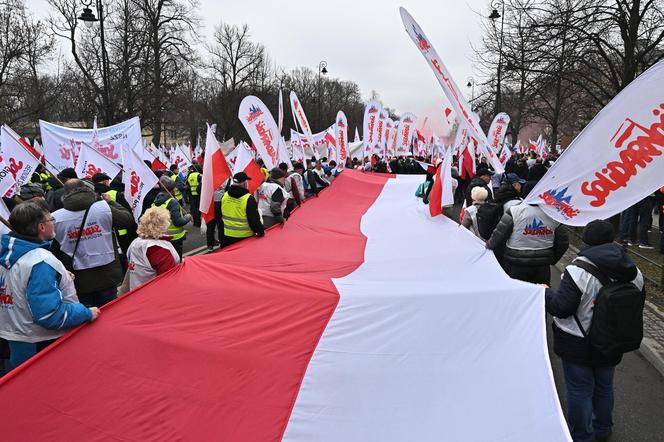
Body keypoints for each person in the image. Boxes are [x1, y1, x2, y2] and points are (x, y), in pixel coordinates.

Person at [545, 220, 645, 442]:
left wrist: (546, 293)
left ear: (586, 240)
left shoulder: (577, 271)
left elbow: (562, 308)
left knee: (580, 389)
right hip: (612, 340)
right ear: (611, 239)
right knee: (604, 385)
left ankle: (581, 435)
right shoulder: (634, 272)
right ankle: (603, 428)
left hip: (578, 340)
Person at [0, 202, 100, 370]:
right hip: (41, 343)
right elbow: (50, 315)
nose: (54, 222)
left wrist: (58, 279)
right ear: (41, 227)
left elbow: (17, 287)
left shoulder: (7, 255)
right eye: (51, 219)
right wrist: (86, 313)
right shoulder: (40, 261)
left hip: (15, 337)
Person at [52, 179, 134, 307]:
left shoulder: (56, 218)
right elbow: (127, 220)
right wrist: (110, 202)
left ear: (65, 194)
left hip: (79, 279)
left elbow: (55, 250)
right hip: (107, 275)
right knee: (111, 314)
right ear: (87, 189)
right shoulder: (104, 207)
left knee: (89, 319)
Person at [486, 201, 569, 284]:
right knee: (540, 293)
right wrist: (553, 258)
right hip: (542, 265)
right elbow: (563, 241)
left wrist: (490, 245)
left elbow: (499, 235)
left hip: (516, 263)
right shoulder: (553, 214)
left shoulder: (514, 211)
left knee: (517, 292)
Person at [125, 207, 180, 291]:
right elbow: (169, 281)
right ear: (162, 225)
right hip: (155, 295)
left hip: (136, 292)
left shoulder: (135, 243)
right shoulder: (160, 250)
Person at [220, 172, 264, 248]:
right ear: (244, 183)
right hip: (245, 237)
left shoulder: (225, 195)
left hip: (227, 235)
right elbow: (254, 220)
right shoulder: (248, 199)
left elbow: (221, 213)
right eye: (246, 181)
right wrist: (260, 232)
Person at [151, 176, 192, 258]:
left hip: (161, 236)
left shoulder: (155, 201)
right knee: (176, 260)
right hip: (174, 238)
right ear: (172, 189)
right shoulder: (172, 202)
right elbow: (178, 222)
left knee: (167, 260)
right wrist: (188, 217)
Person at [206, 180, 227, 252]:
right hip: (220, 204)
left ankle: (210, 245)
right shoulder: (225, 179)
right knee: (221, 226)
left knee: (210, 225)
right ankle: (223, 244)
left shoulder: (207, 177)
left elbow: (199, 189)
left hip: (210, 203)